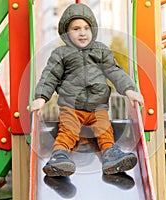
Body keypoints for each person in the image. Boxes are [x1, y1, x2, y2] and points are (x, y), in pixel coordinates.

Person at [31, 3, 144, 177]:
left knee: (105, 129)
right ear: (66, 33)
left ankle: (110, 156)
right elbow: (50, 75)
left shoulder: (100, 50)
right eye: (76, 29)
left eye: (86, 28)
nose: (82, 33)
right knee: (67, 131)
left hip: (98, 106)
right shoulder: (61, 54)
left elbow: (114, 71)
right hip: (71, 106)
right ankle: (59, 158)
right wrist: (41, 98)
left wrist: (129, 90)